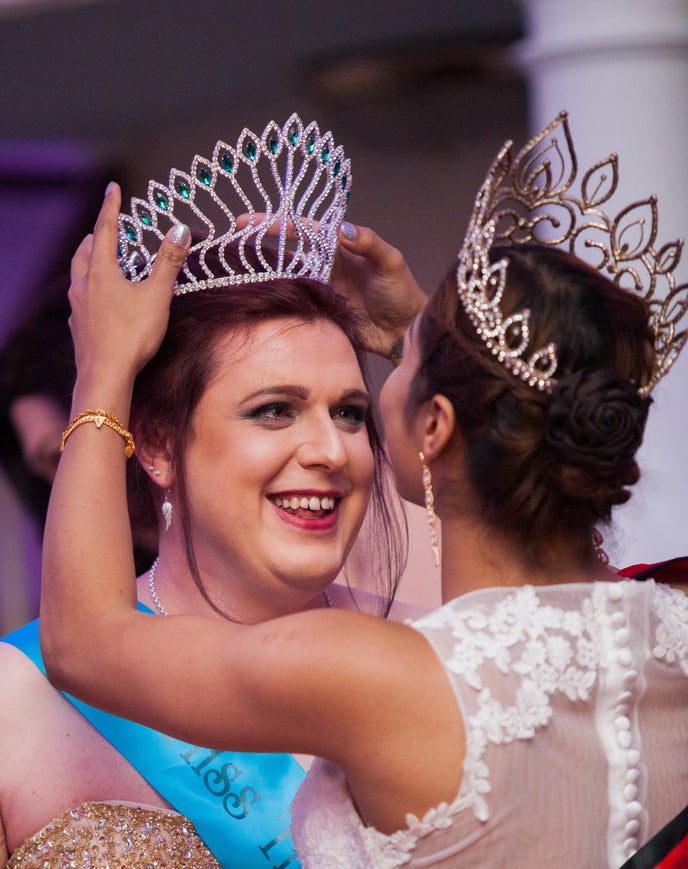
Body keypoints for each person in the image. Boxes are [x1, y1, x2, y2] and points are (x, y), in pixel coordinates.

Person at [40, 113, 688, 867]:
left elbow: (82, 642)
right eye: (275, 409)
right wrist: (449, 357)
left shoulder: (377, 672)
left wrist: (103, 372)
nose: (332, 448)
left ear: (434, 425)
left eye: (366, 396)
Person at [1, 115, 425, 867]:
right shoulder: (16, 692)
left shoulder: (423, 649)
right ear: (159, 443)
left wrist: (423, 345)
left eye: (350, 413)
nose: (328, 450)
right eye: (274, 410)